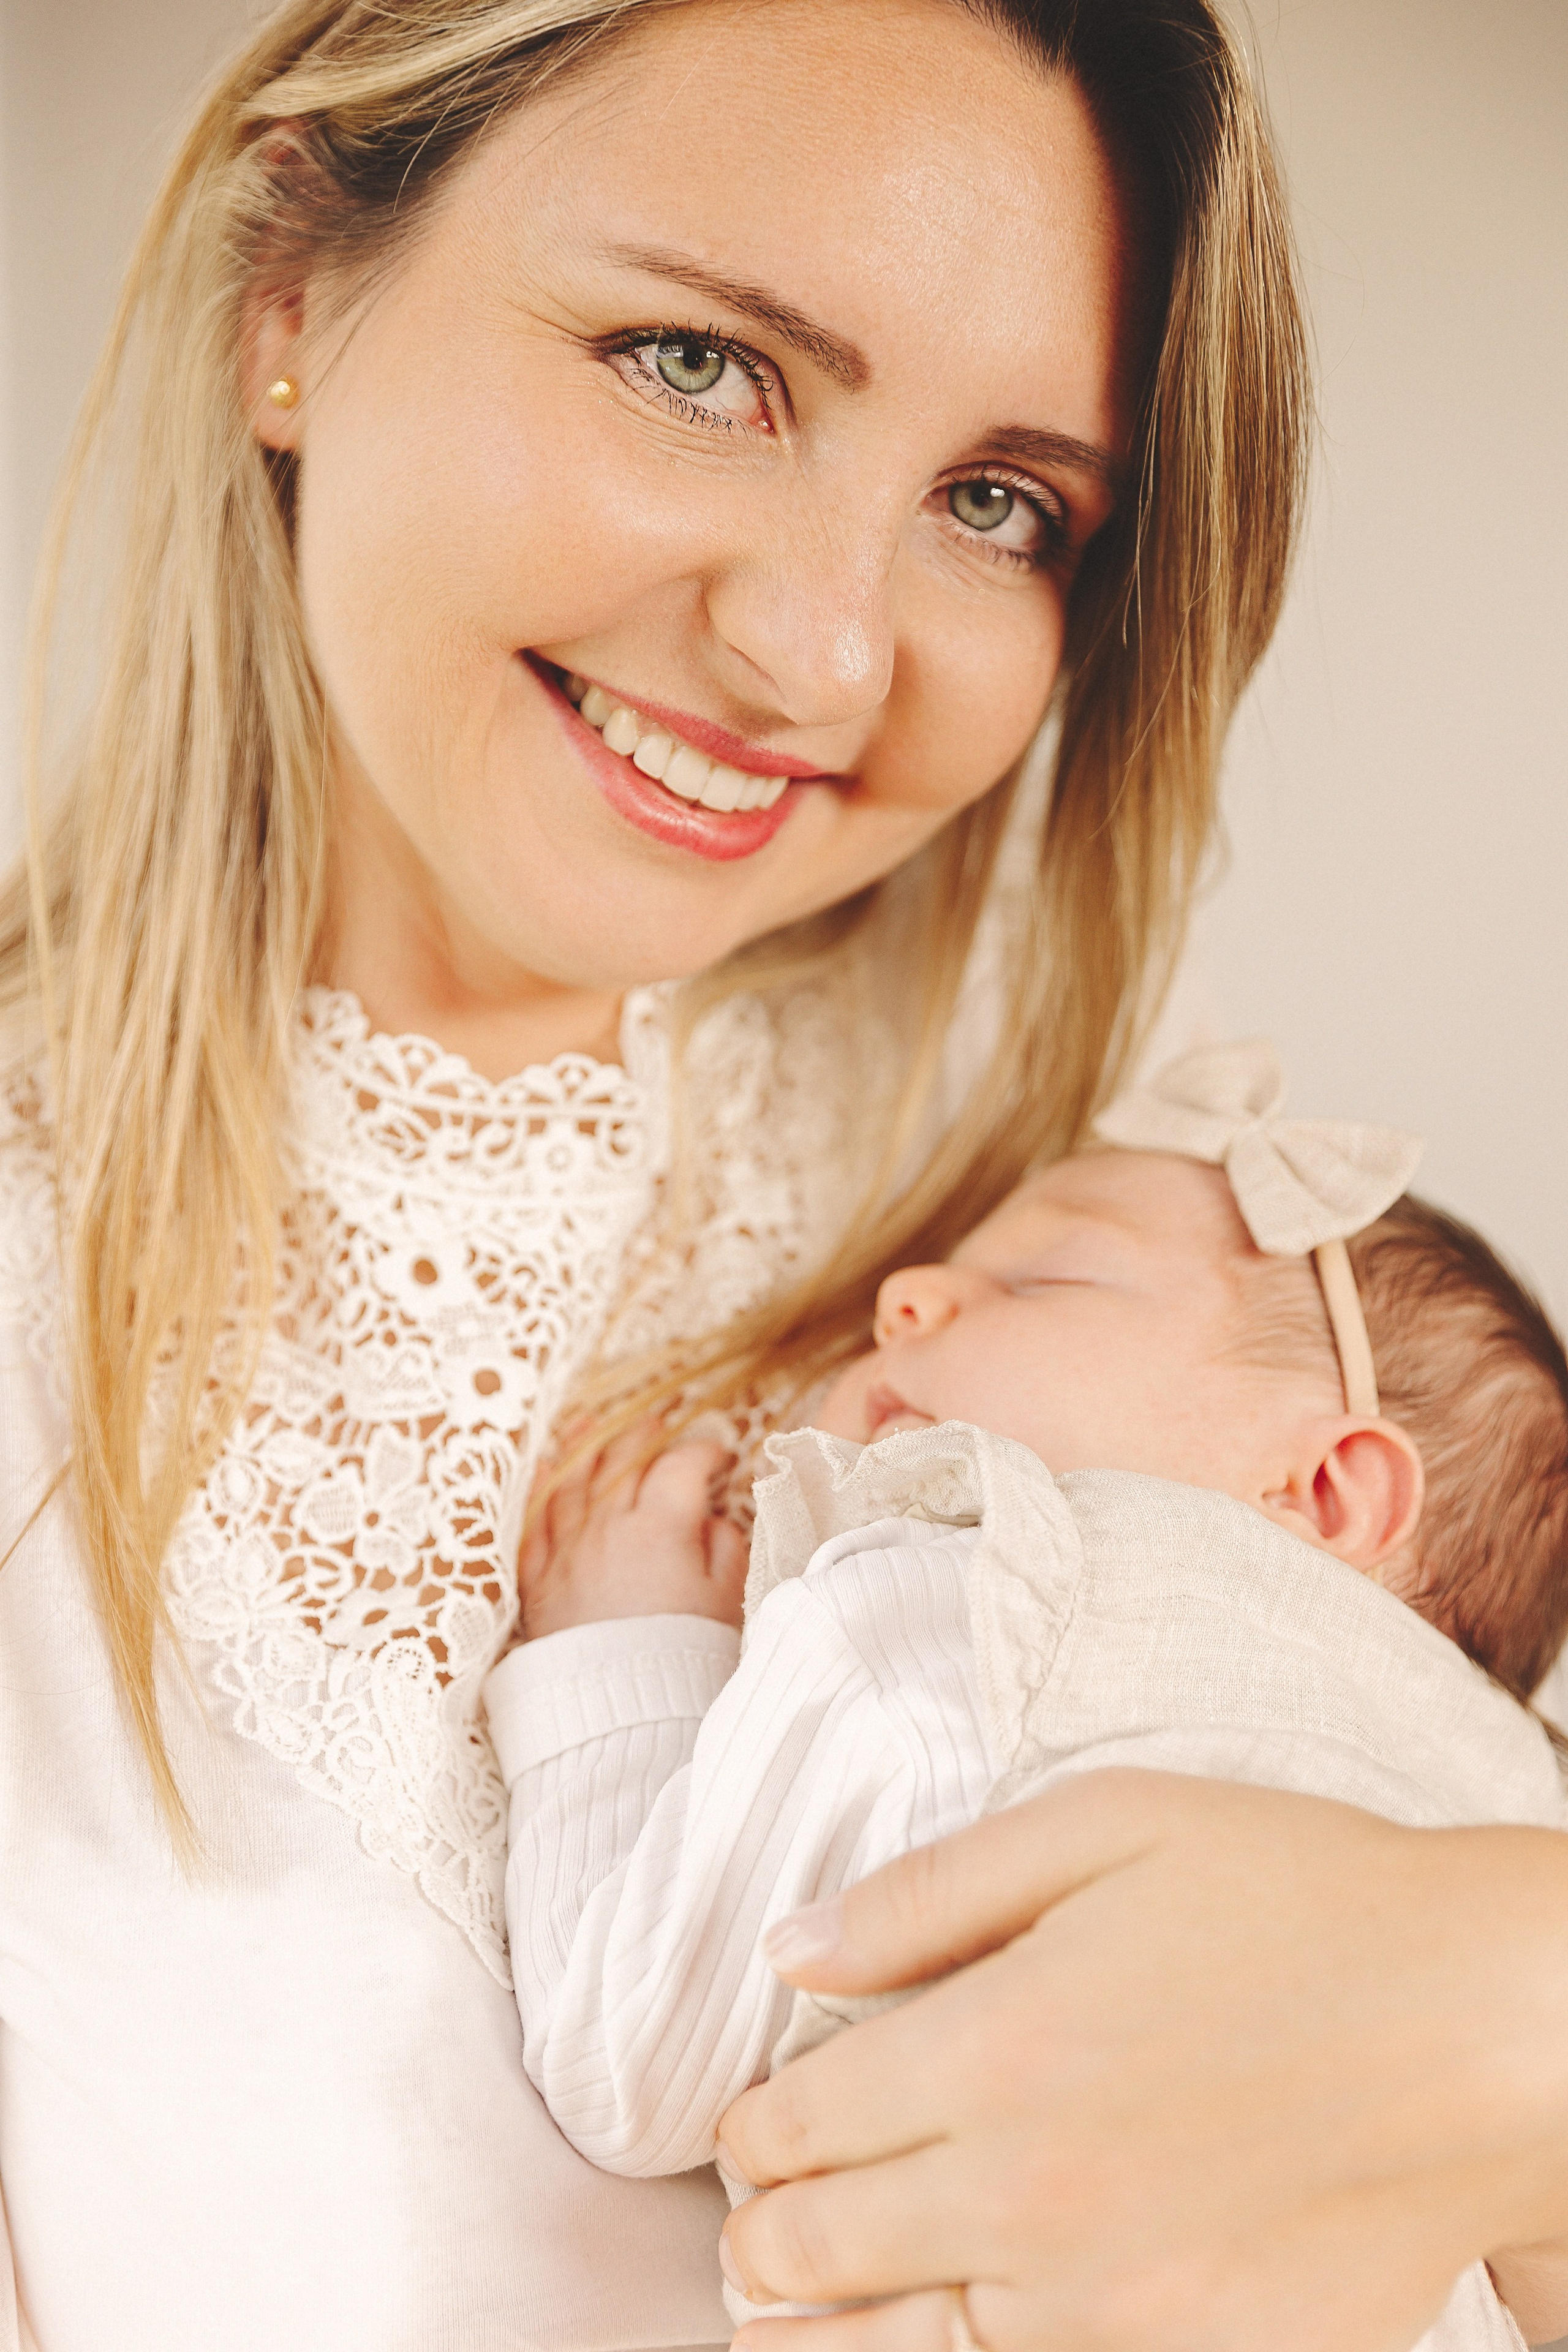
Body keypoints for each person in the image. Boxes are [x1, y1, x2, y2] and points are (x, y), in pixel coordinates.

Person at [0, 0, 1321, 2344]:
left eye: (1001, 503)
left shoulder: (1121, 1238)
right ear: (292, 299)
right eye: (702, 365)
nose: (819, 653)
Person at [486, 1043, 1568, 2350]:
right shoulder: (1520, 1828)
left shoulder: (978, 1595)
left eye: (1042, 1277)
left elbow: (627, 2057)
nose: (903, 1298)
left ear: (1326, 1491)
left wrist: (627, 1631)